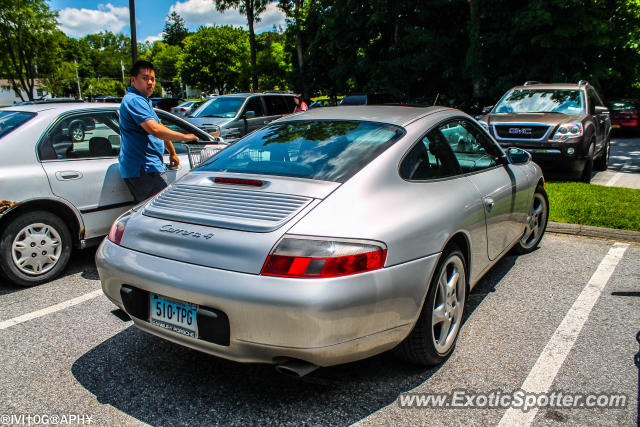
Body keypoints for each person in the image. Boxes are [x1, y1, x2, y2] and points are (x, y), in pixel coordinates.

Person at [118, 60, 198, 203]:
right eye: (145, 78)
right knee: (163, 209)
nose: (150, 82)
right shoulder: (134, 100)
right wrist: (184, 137)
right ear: (133, 80)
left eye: (152, 79)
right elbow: (154, 130)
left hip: (148, 167)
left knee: (155, 212)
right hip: (144, 168)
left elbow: (160, 126)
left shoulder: (144, 101)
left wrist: (172, 152)